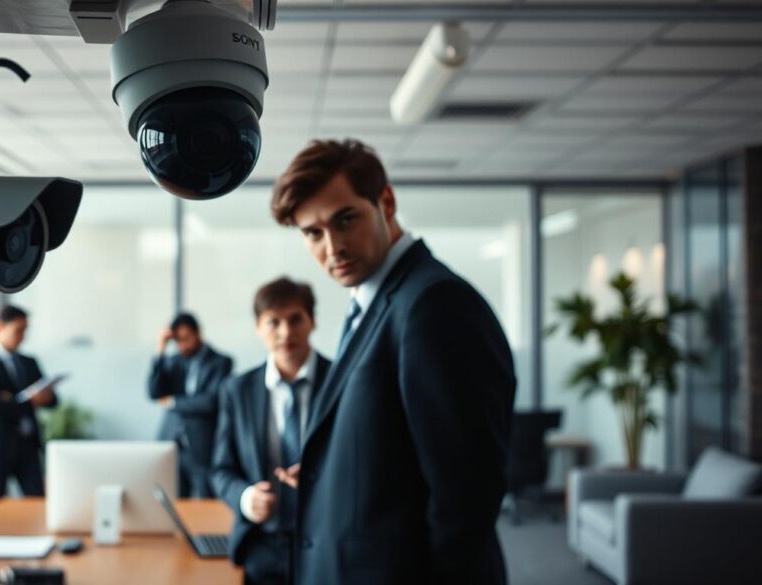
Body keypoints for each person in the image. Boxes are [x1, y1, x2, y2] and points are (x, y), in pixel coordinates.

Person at [269, 139, 516, 584]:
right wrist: (334, 466)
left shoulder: (434, 304)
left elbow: (466, 497)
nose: (334, 247)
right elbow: (398, 439)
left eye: (346, 220)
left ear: (385, 202)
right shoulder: (374, 300)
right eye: (313, 233)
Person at [212, 278, 331, 585]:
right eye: (273, 322)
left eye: (295, 319)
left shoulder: (341, 382)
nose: (285, 332)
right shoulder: (237, 390)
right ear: (258, 327)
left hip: (325, 544)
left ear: (312, 321)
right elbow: (221, 469)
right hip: (261, 545)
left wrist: (322, 476)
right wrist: (244, 497)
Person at [0, 305, 59, 506]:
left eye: (26, 330)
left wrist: (10, 400)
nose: (23, 336)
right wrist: (31, 401)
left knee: (38, 505)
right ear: (1, 326)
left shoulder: (29, 362)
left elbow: (53, 400)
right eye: (18, 330)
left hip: (28, 446)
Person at [149, 312, 233, 497]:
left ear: (198, 334)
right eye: (177, 340)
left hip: (201, 447)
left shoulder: (221, 362)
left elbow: (210, 402)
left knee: (207, 503)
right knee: (172, 503)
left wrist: (173, 402)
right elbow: (154, 393)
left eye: (186, 338)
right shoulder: (173, 361)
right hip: (171, 444)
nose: (181, 345)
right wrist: (161, 348)